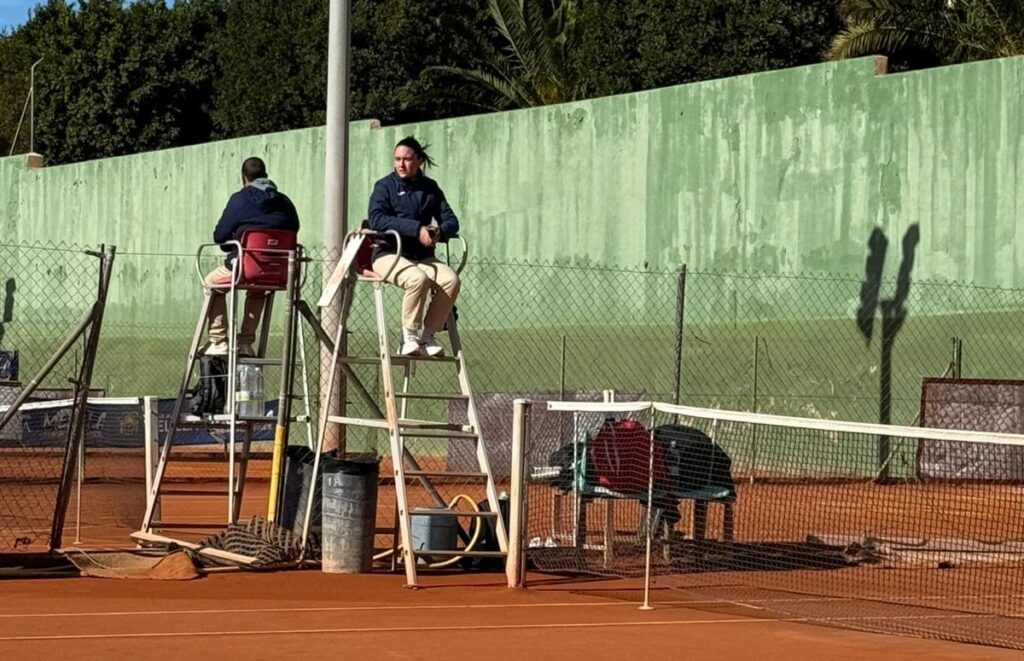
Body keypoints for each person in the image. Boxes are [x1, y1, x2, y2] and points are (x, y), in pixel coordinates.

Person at [368, 136, 460, 357]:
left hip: (422, 257)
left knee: (451, 280)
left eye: (407, 159)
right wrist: (416, 228)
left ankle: (428, 336)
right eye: (397, 159)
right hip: (388, 254)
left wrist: (438, 233)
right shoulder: (384, 186)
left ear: (418, 160)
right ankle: (407, 337)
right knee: (417, 279)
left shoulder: (430, 188)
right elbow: (376, 219)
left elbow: (451, 221)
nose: (400, 164)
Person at [202, 157, 300, 357]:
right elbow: (294, 229)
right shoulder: (285, 202)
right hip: (280, 273)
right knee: (258, 289)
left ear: (244, 177)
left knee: (211, 283)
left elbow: (219, 236)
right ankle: (246, 343)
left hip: (244, 269)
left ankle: (219, 340)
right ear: (265, 174)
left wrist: (234, 240)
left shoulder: (239, 199)